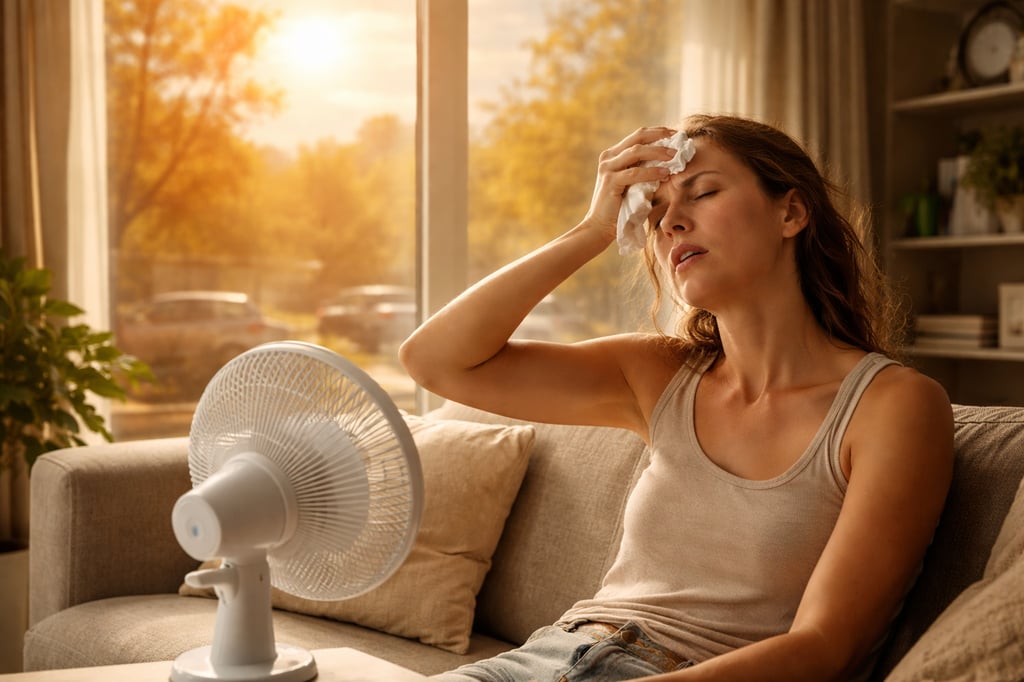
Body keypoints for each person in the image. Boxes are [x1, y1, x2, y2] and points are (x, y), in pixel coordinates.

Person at [398, 114, 954, 682]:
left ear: (790, 212)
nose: (672, 224)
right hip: (542, 659)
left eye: (704, 192)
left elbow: (825, 648)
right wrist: (593, 228)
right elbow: (435, 361)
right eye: (656, 213)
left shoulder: (892, 406)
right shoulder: (658, 373)